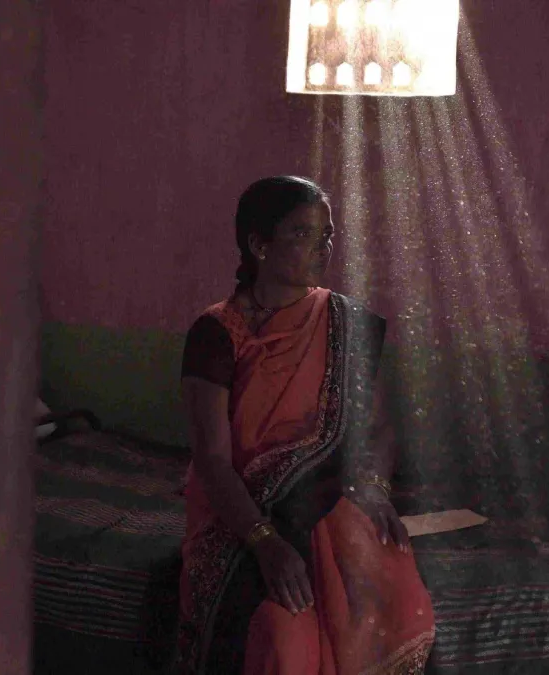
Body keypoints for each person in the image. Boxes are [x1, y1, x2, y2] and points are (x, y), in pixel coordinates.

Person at [175, 176, 435, 674]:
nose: (323, 246)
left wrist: (377, 491)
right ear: (258, 245)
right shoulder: (217, 332)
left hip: (326, 505)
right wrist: (265, 542)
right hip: (241, 515)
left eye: (328, 234)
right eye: (302, 234)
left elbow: (376, 427)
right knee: (283, 637)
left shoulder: (344, 322)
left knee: (399, 601)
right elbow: (211, 458)